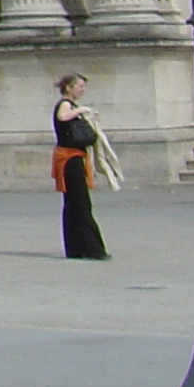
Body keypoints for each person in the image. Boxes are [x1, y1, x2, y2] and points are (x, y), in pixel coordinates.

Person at [53, 73, 110, 261]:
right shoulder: (65, 105)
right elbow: (62, 116)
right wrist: (81, 111)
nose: (82, 90)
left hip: (72, 159)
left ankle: (76, 248)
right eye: (79, 86)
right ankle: (92, 248)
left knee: (73, 204)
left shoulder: (71, 106)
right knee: (81, 204)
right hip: (70, 159)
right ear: (69, 88)